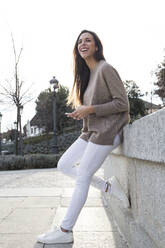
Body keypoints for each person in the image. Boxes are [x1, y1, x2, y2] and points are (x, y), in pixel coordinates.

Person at [37, 29, 130, 245]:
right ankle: (107, 187)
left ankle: (65, 229)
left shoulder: (106, 68)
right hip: (91, 132)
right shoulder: (88, 77)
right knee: (64, 164)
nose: (83, 43)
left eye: (88, 40)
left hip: (109, 131)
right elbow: (93, 108)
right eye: (80, 41)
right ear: (77, 50)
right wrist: (83, 112)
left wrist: (89, 110)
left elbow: (122, 104)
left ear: (97, 46)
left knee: (82, 177)